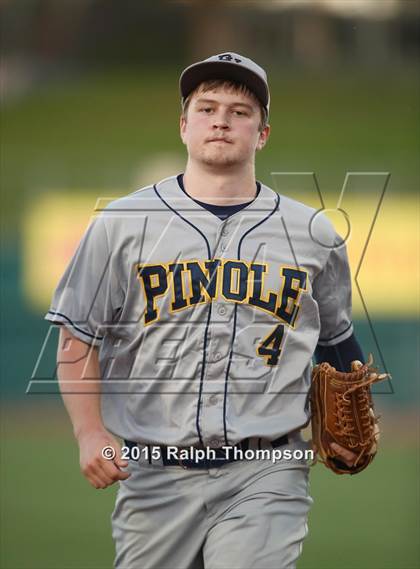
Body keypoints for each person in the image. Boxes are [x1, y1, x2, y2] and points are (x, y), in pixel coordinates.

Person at [46, 52, 363, 569]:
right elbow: (77, 337)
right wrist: (90, 434)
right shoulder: (122, 223)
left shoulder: (313, 233)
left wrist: (348, 419)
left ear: (262, 133)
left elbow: (337, 340)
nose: (221, 119)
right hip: (153, 474)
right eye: (207, 107)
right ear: (184, 125)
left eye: (240, 111)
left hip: (268, 469)